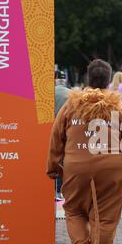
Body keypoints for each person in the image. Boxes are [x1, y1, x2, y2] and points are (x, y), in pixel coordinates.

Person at [47, 59, 122, 244]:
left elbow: (56, 136)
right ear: (109, 80)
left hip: (76, 166)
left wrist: (53, 166)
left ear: (88, 77)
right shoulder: (117, 106)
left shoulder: (72, 104)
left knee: (74, 211)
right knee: (106, 218)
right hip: (110, 166)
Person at [54, 70, 71, 201]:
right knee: (63, 159)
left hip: (48, 129)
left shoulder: (49, 92)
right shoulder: (71, 94)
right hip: (65, 130)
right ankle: (59, 190)